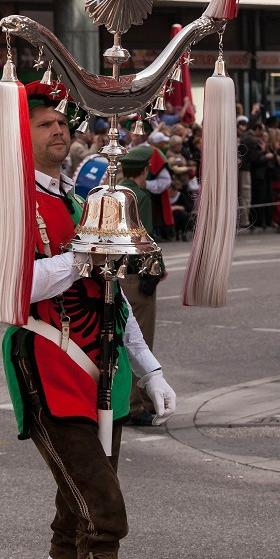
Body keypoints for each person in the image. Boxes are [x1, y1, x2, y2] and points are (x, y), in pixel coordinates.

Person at [0, 82, 176, 559]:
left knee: (73, 517)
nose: (59, 131)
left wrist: (150, 369)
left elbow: (112, 299)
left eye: (62, 122)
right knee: (101, 512)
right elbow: (12, 287)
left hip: (99, 367)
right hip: (46, 359)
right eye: (44, 123)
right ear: (19, 135)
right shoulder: (7, 200)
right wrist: (83, 258)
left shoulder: (85, 201)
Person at [117, 144, 164, 427]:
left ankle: (125, 402)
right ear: (144, 170)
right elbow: (144, 237)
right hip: (138, 275)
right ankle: (138, 406)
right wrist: (158, 269)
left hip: (117, 274)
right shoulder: (140, 196)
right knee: (140, 342)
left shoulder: (113, 191)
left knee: (120, 343)